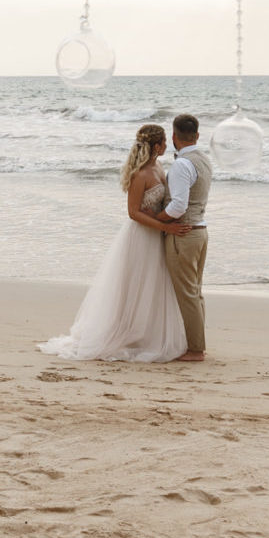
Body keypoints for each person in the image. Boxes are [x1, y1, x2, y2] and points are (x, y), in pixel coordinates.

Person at [39, 123, 188, 363]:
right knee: (134, 285)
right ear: (156, 146)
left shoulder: (159, 166)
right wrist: (165, 227)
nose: (166, 145)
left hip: (157, 235)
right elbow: (133, 212)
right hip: (142, 236)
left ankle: (147, 333)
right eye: (163, 142)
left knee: (153, 284)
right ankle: (126, 334)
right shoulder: (140, 174)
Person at [157, 113, 212, 361]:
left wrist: (158, 220)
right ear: (197, 135)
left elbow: (178, 206)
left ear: (174, 136)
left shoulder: (181, 164)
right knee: (195, 291)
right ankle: (197, 343)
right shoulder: (204, 159)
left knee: (188, 293)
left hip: (184, 234)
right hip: (200, 231)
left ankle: (196, 349)